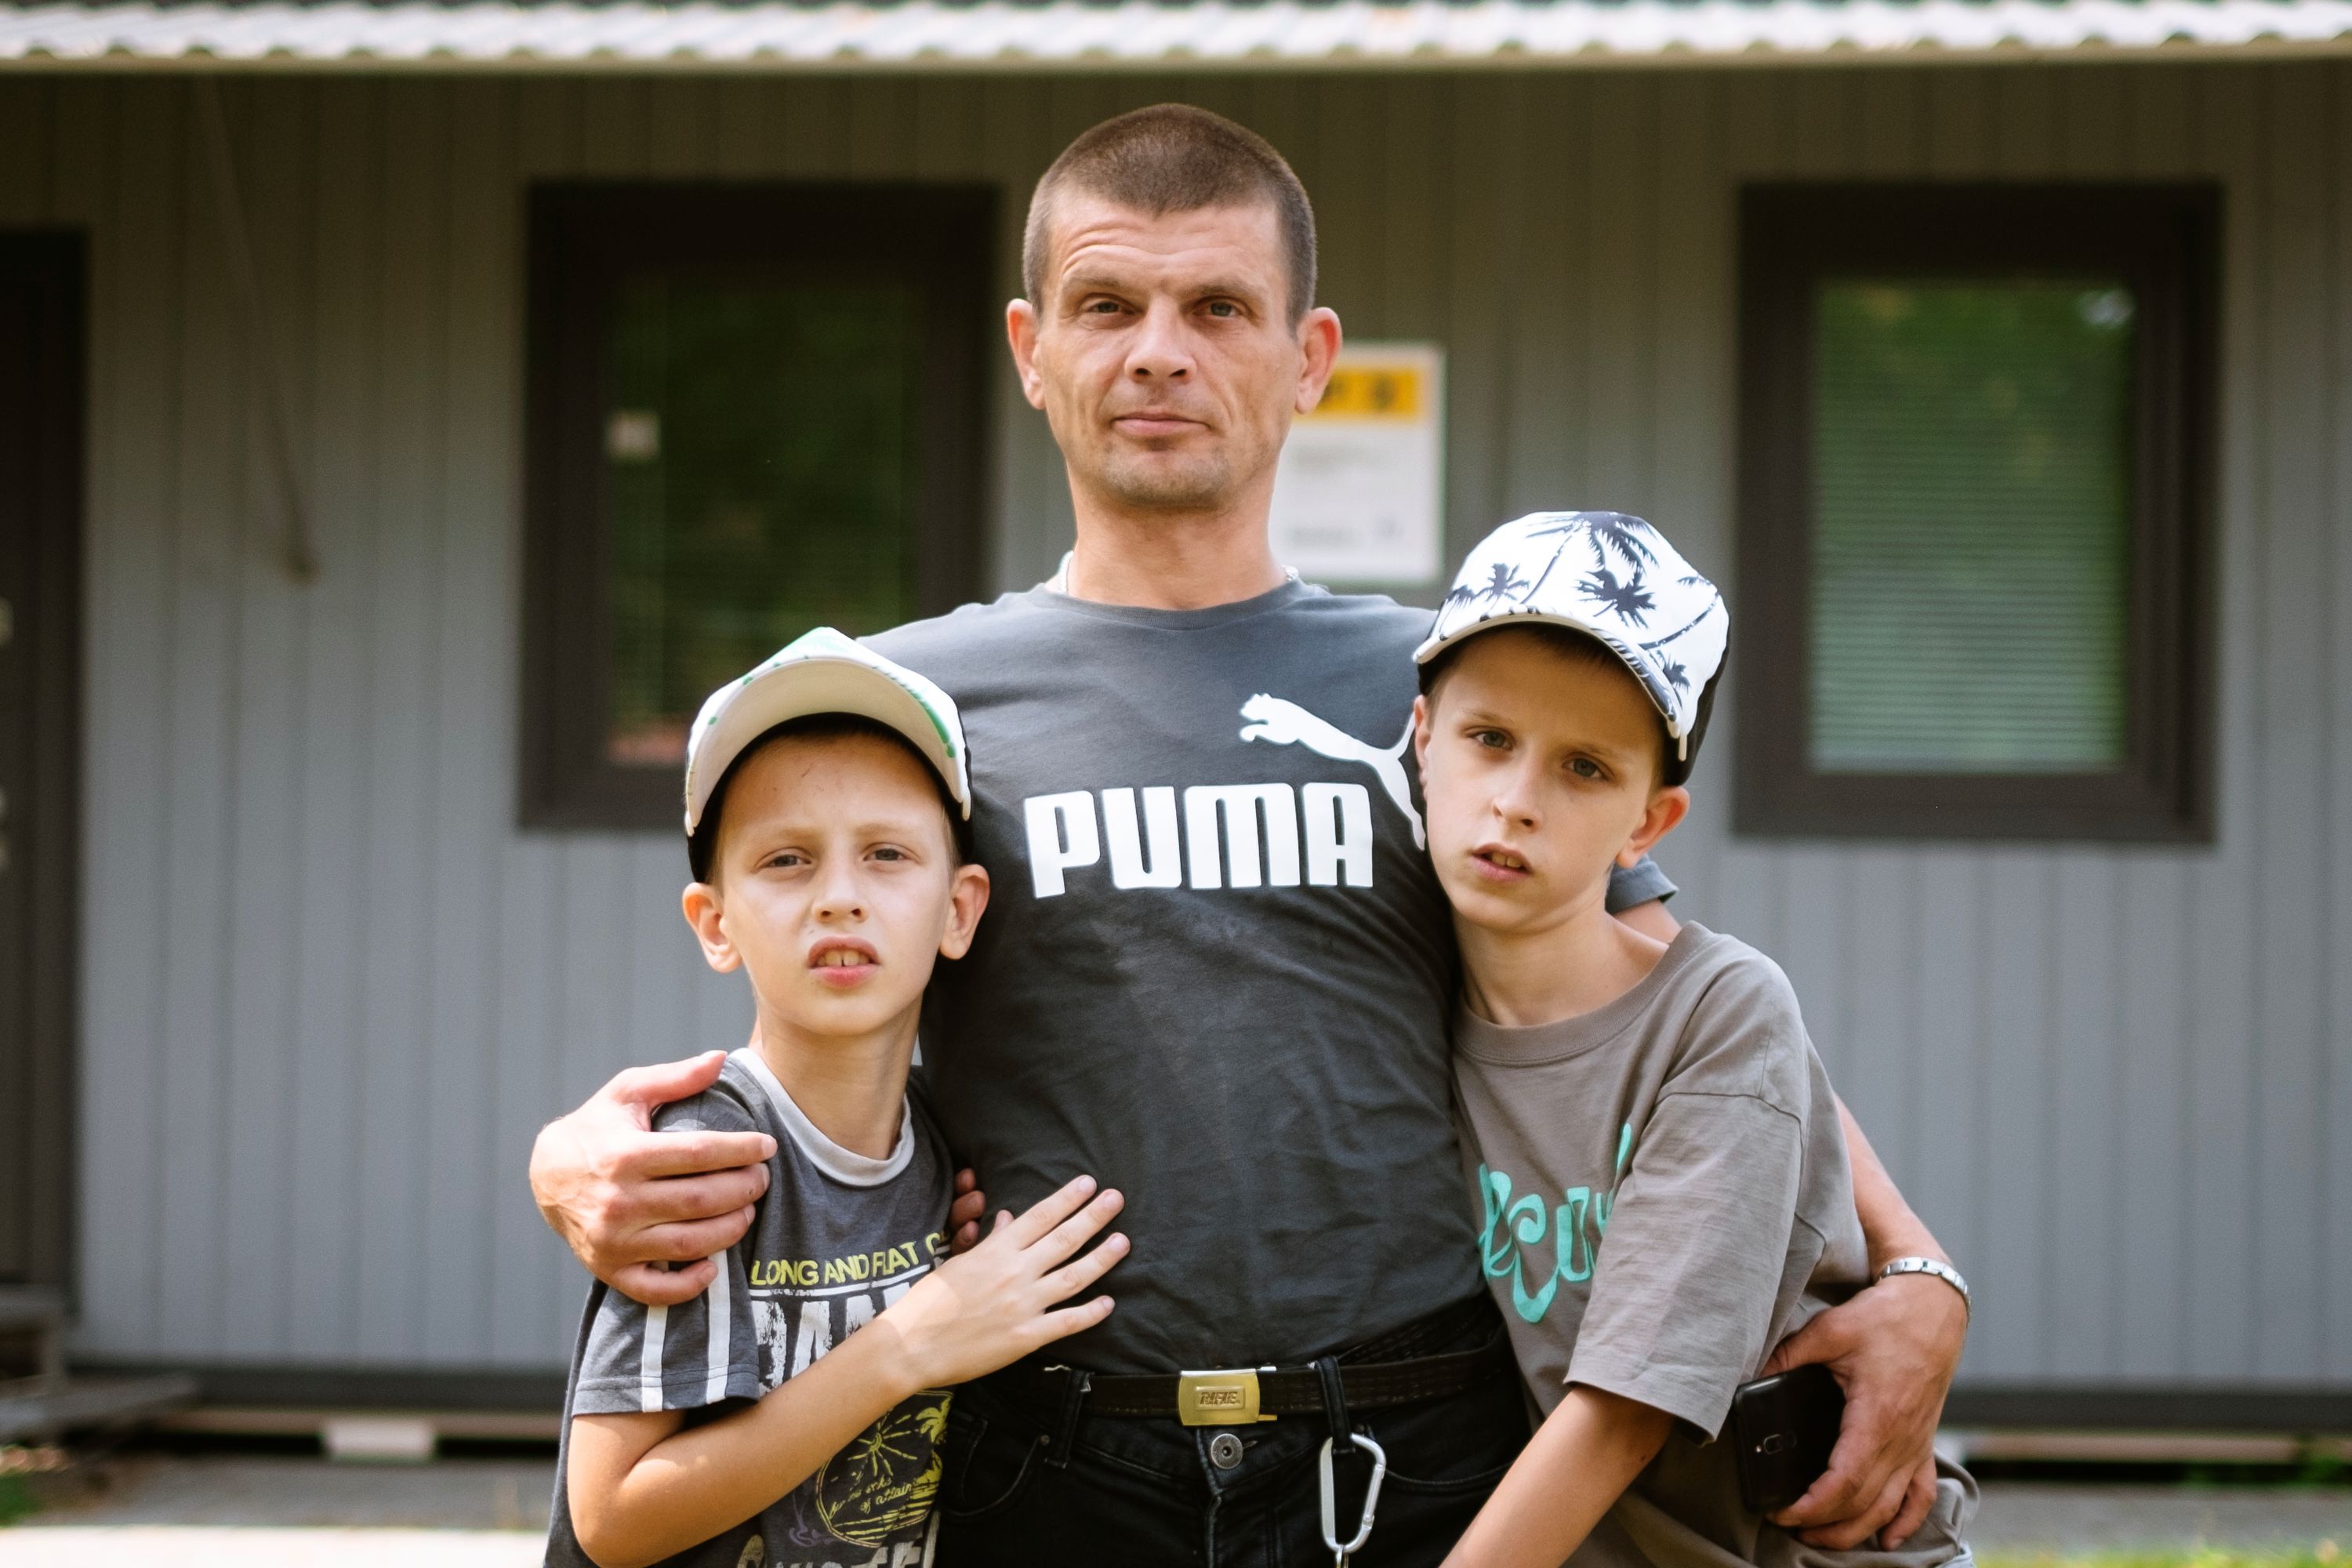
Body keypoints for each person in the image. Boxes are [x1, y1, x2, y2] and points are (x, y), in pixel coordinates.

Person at [530, 105, 1970, 1564]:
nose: (1160, 350)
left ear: (1309, 360)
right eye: (1107, 306)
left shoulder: (1452, 697)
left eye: (1219, 307)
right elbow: (803, 966)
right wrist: (573, 1157)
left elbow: (1666, 993)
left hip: (1413, 1453)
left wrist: (1915, 1266)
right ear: (1031, 348)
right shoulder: (911, 702)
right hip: (1050, 1459)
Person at [1410, 513, 1976, 1568]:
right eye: (1489, 739)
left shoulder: (1718, 1016)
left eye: (1583, 768)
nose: (1517, 801)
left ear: (1647, 826)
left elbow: (1626, 1408)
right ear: (1421, 741)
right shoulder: (1404, 1004)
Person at [549, 629, 1131, 1568]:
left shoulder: (946, 1143)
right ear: (715, 919)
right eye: (786, 859)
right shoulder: (706, 1158)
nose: (839, 897)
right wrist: (913, 1341)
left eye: (888, 853)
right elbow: (613, 1517)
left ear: (960, 908)